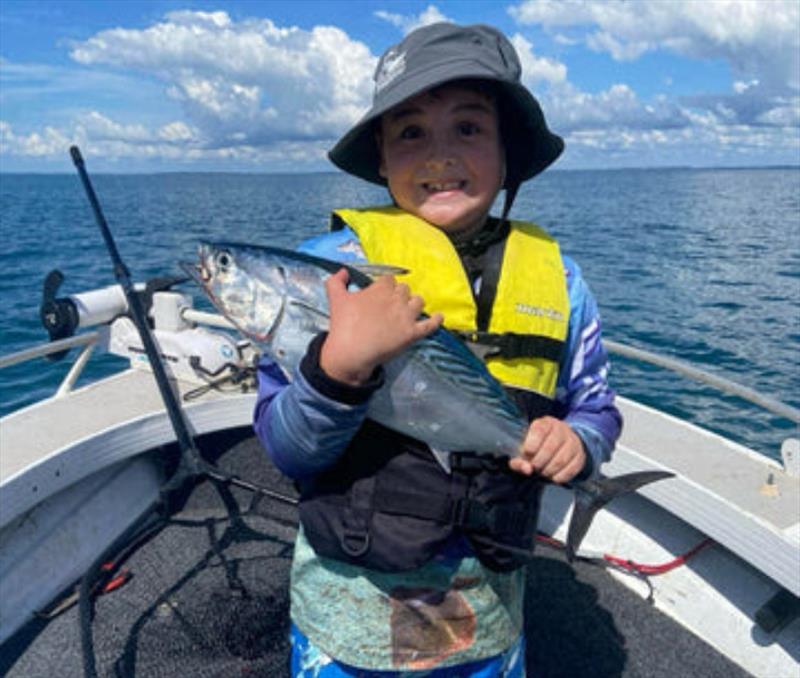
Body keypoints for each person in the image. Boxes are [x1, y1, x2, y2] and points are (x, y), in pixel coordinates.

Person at [253, 22, 622, 677]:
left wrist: (580, 441)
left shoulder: (560, 284)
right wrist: (339, 368)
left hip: (489, 622)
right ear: (382, 155)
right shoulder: (327, 276)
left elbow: (594, 403)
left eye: (469, 128)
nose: (439, 154)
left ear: (509, 149)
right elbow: (287, 448)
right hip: (347, 625)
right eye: (411, 132)